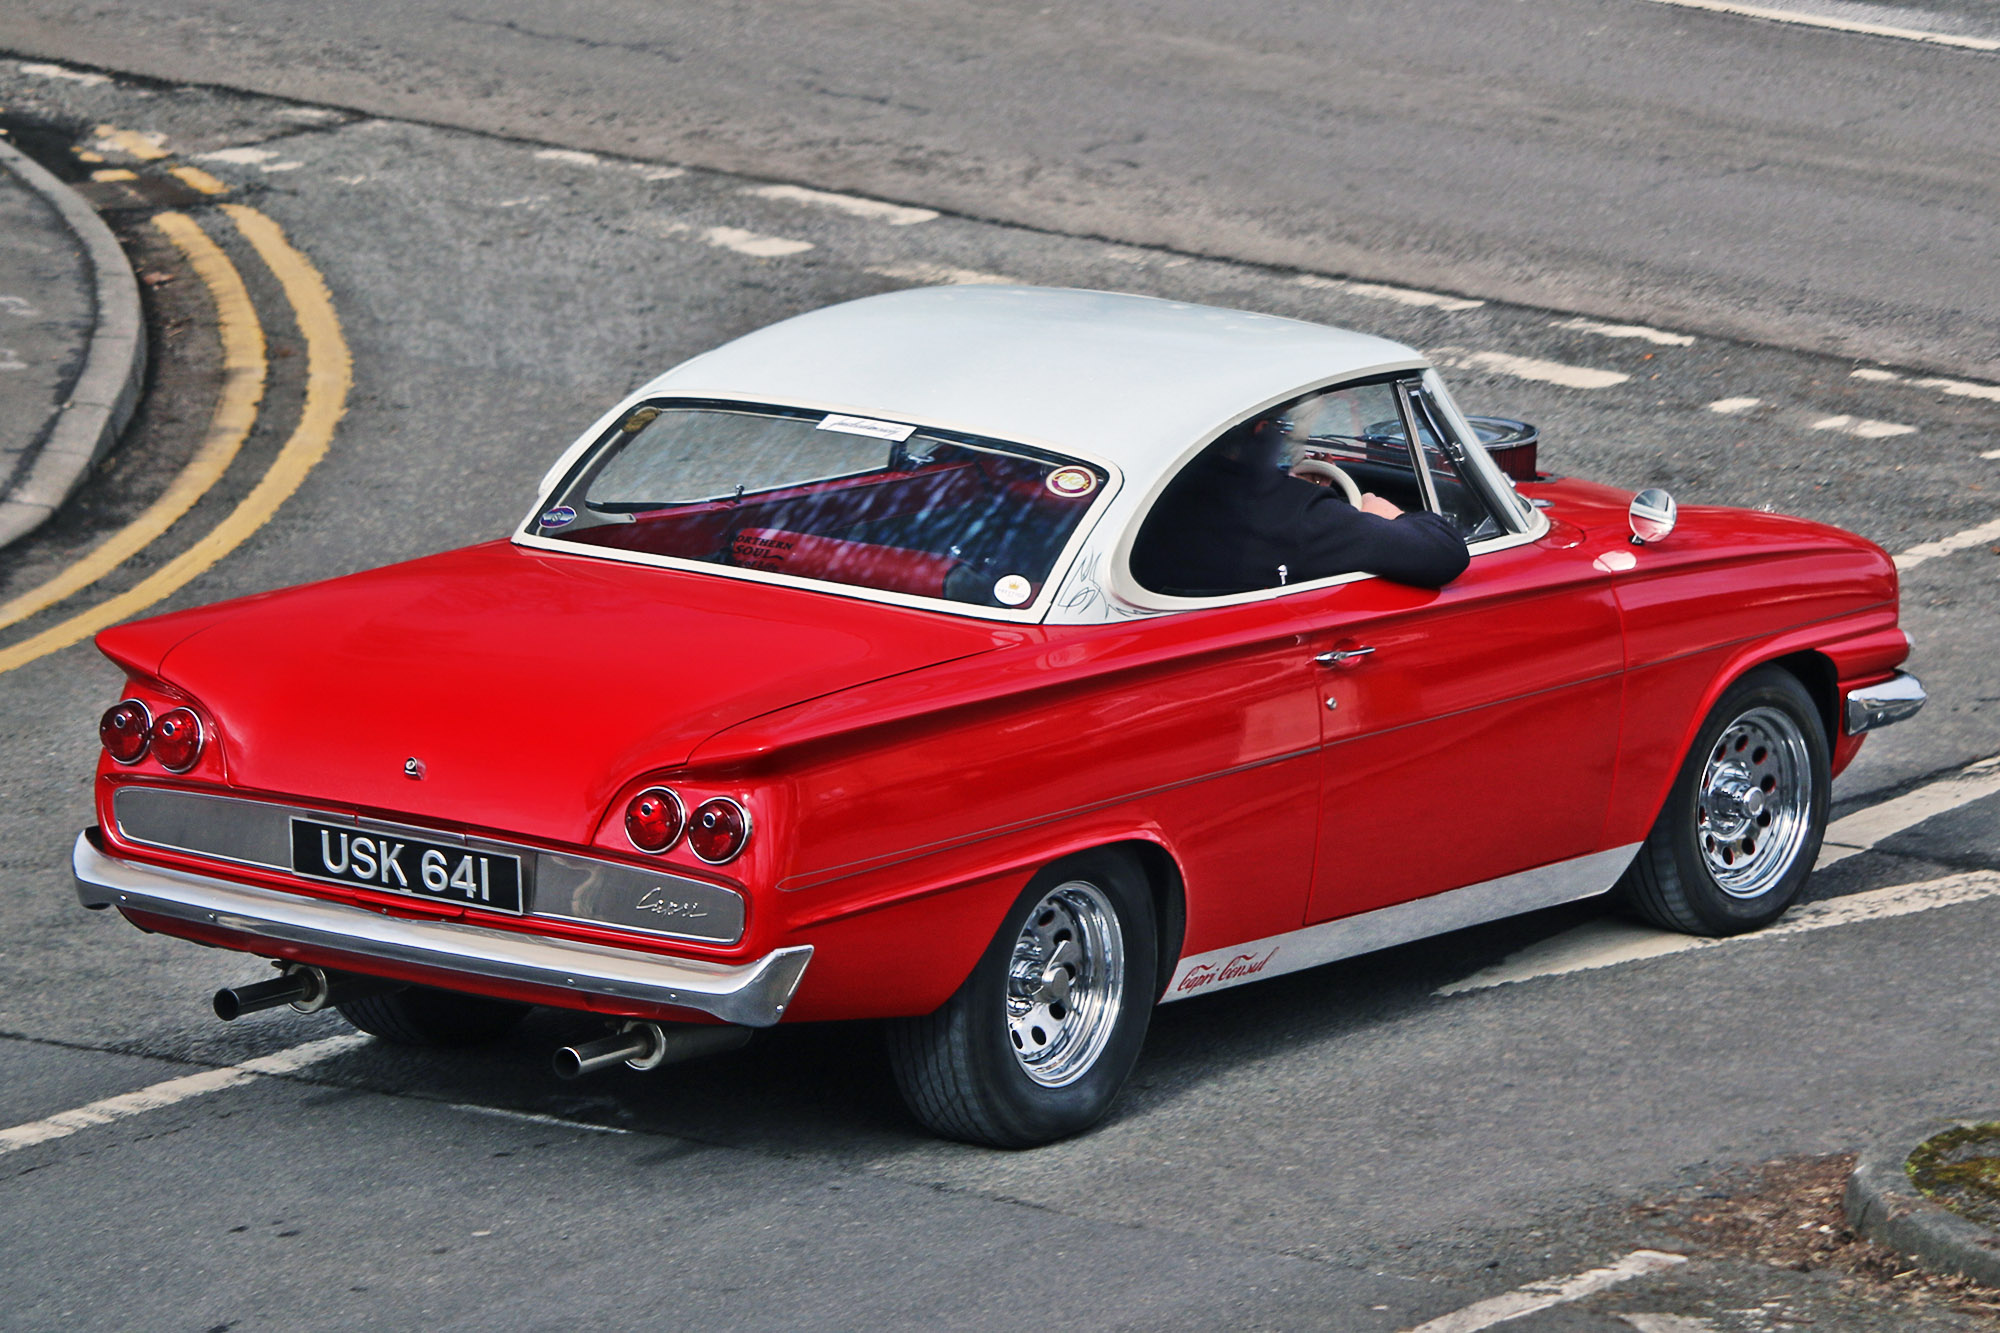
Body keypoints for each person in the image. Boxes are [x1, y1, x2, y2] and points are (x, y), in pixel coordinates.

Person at [1130, 416, 1470, 594]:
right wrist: (1383, 514)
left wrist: (1295, 490)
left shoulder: (1153, 488)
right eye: (1281, 428)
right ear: (1260, 430)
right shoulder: (1296, 515)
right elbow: (1444, 553)